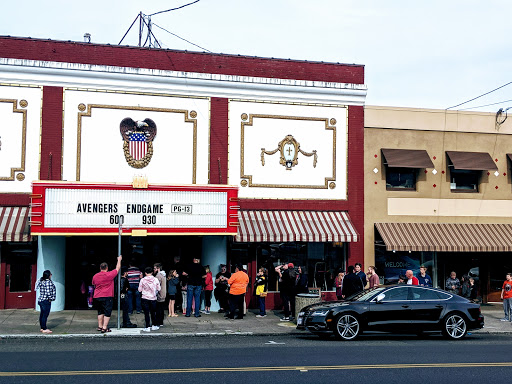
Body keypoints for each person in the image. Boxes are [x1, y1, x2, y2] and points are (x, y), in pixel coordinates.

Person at [92, 255, 122, 333]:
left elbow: (94, 284)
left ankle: (100, 326)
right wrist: (119, 260)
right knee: (107, 311)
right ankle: (105, 327)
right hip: (107, 296)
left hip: (97, 296)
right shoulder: (109, 275)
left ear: (100, 268)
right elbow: (117, 268)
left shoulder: (95, 276)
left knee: (100, 311)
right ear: (107, 268)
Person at [138, 266, 161, 332]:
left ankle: (147, 326)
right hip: (153, 298)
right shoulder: (155, 279)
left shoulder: (142, 280)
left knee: (146, 313)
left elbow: (139, 290)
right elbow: (159, 288)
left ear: (145, 273)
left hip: (145, 298)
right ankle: (154, 325)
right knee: (153, 312)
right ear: (152, 272)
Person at [35, 270, 56, 334]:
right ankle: (44, 328)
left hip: (41, 299)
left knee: (42, 314)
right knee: (45, 315)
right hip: (46, 301)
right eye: (50, 274)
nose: (51, 275)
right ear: (49, 275)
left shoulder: (41, 281)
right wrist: (51, 298)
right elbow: (48, 292)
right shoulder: (48, 282)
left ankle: (42, 327)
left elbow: (36, 287)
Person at [153, 263, 166, 327]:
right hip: (163, 293)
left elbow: (156, 286)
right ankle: (161, 322)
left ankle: (158, 321)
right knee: (161, 309)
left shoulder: (158, 276)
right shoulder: (163, 275)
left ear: (158, 268)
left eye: (155, 268)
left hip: (159, 294)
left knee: (158, 309)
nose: (154, 270)